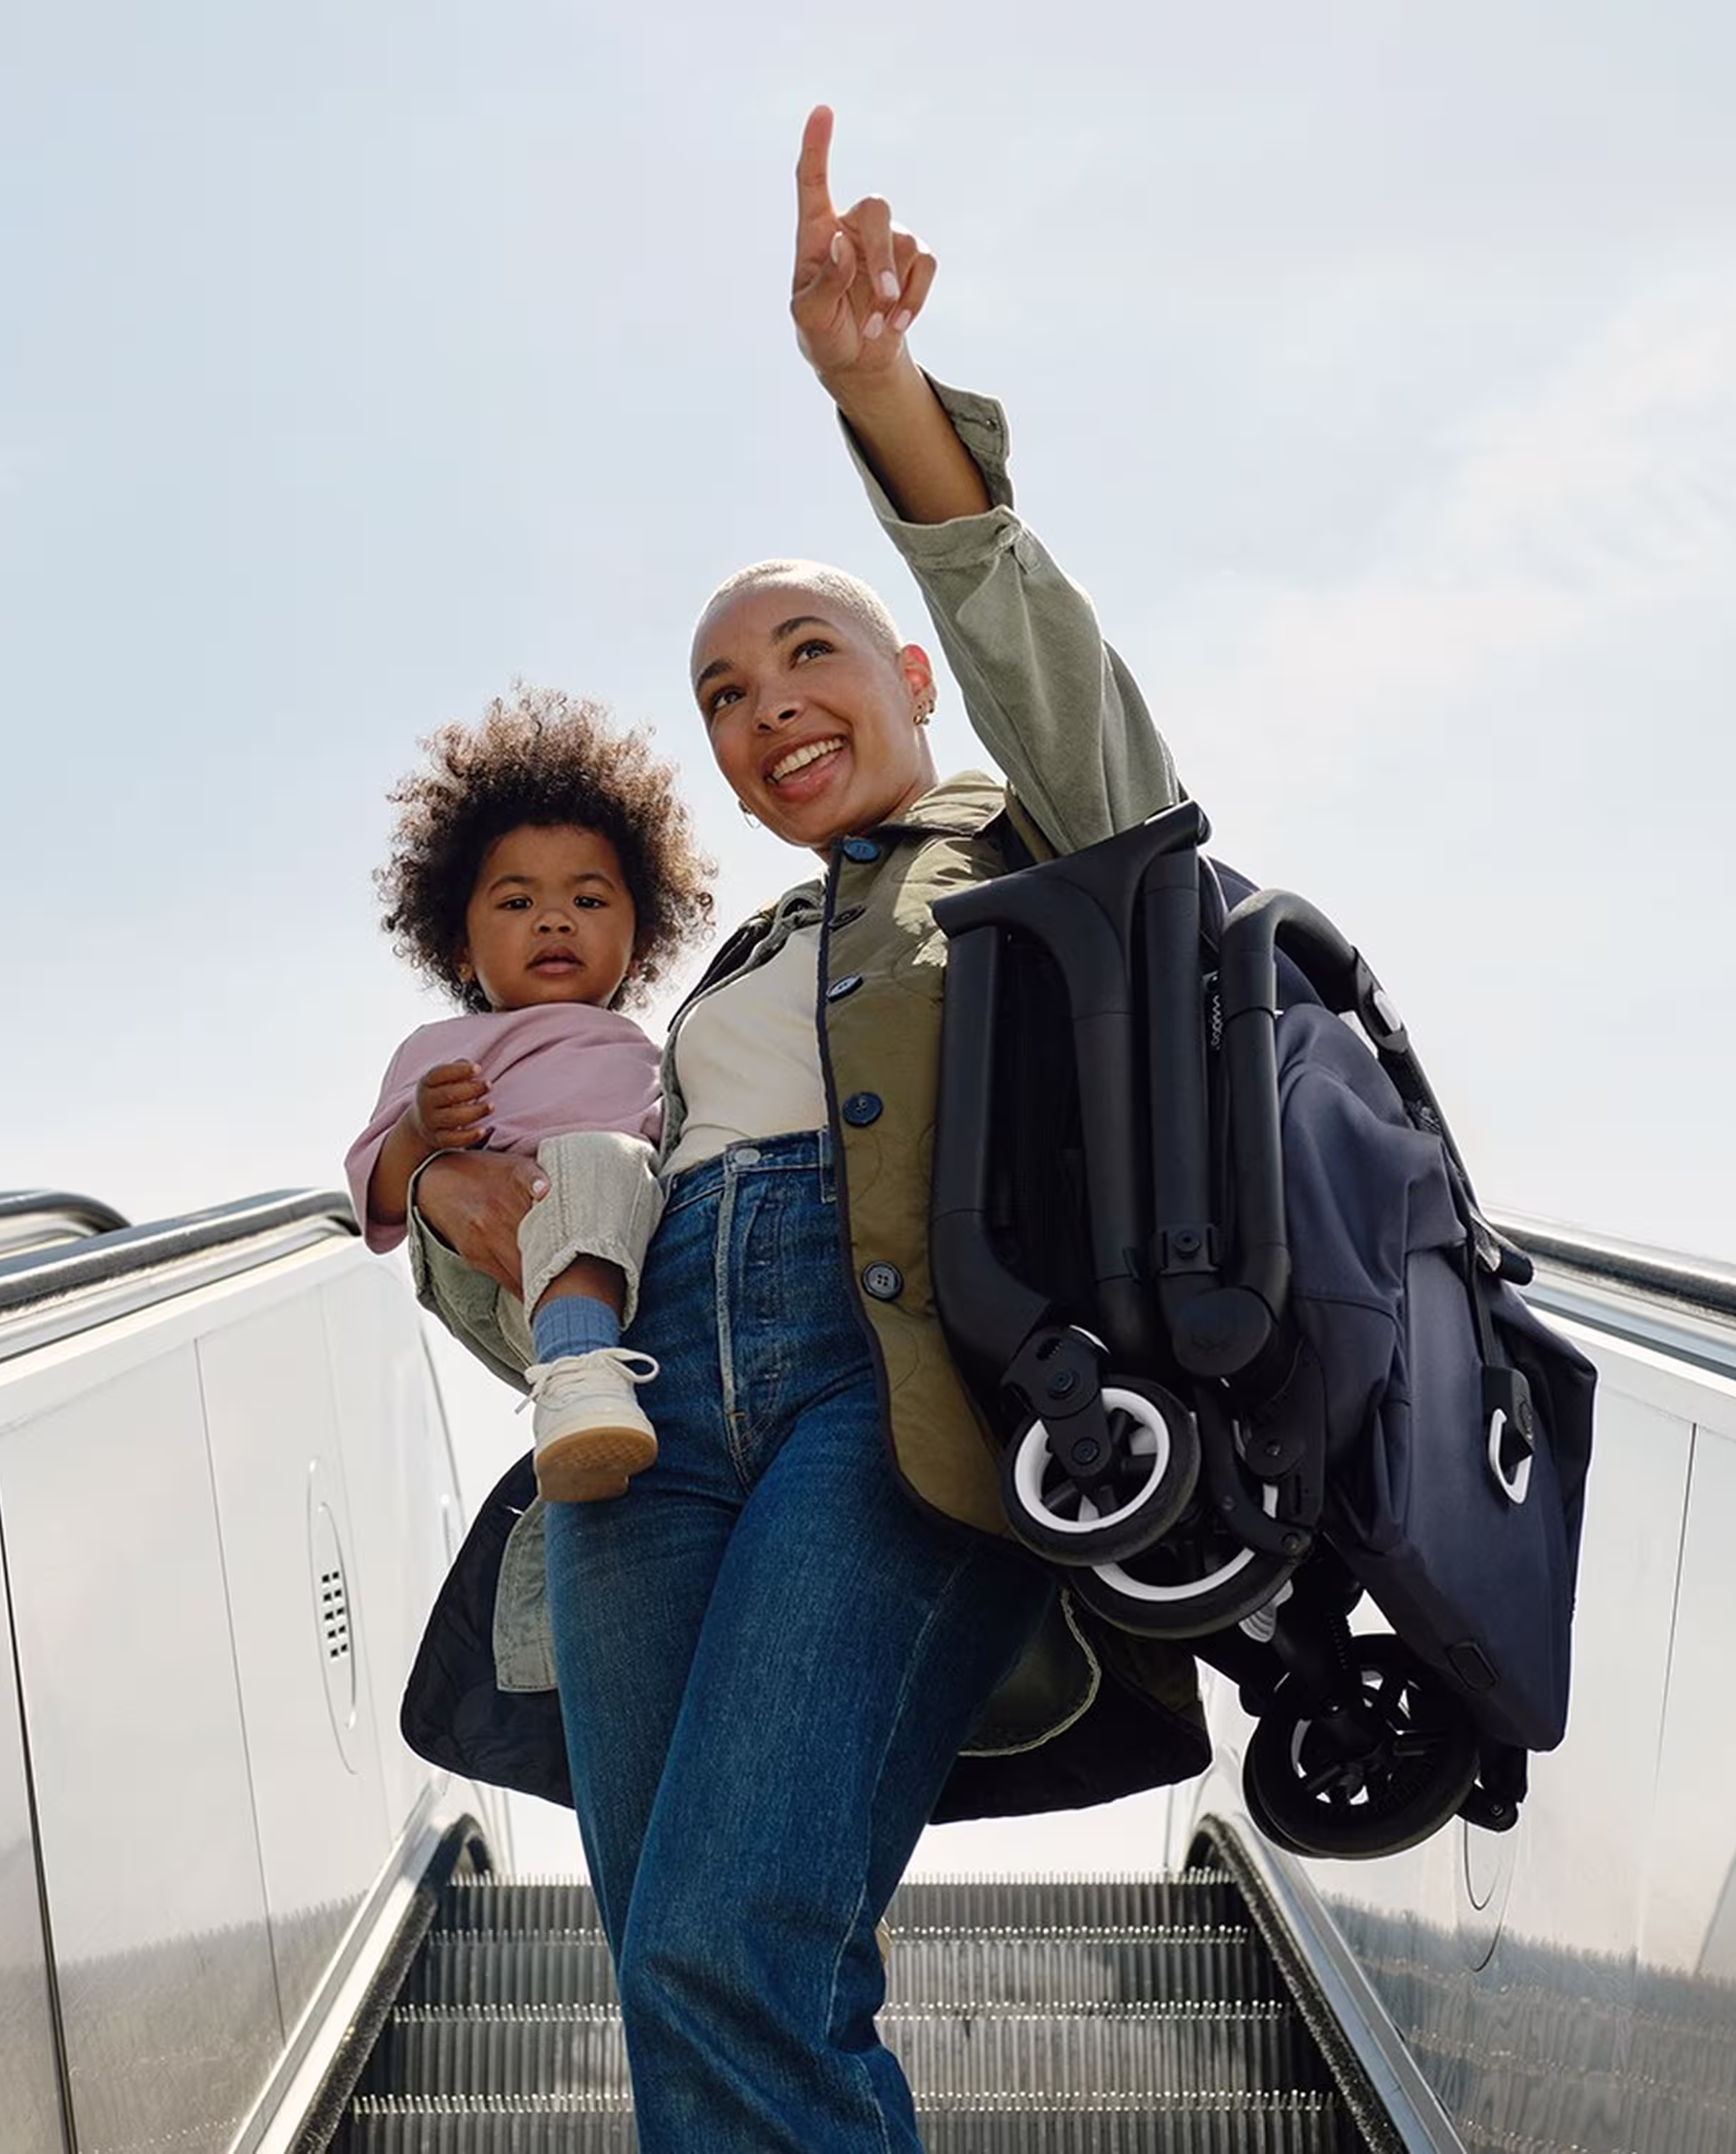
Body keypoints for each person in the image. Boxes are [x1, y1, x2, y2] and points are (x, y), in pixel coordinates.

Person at [401, 108, 1210, 2150]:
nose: (767, 708)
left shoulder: (1042, 838)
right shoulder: (719, 983)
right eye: (723, 693)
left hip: (894, 1399)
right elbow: (548, 1267)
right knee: (673, 1945)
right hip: (649, 1429)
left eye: (808, 655)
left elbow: (1065, 680)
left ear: (911, 674)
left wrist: (878, 392)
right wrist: (454, 1205)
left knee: (734, 1935)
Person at [345, 686, 716, 1499]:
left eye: (587, 901)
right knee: (588, 1161)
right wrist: (419, 1129)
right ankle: (577, 1379)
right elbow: (373, 1193)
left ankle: (598, 1412)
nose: (554, 920)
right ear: (461, 947)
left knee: (625, 1169)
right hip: (519, 1274)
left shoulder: (664, 1050)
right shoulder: (446, 1049)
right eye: (517, 903)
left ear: (639, 938)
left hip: (644, 1270)